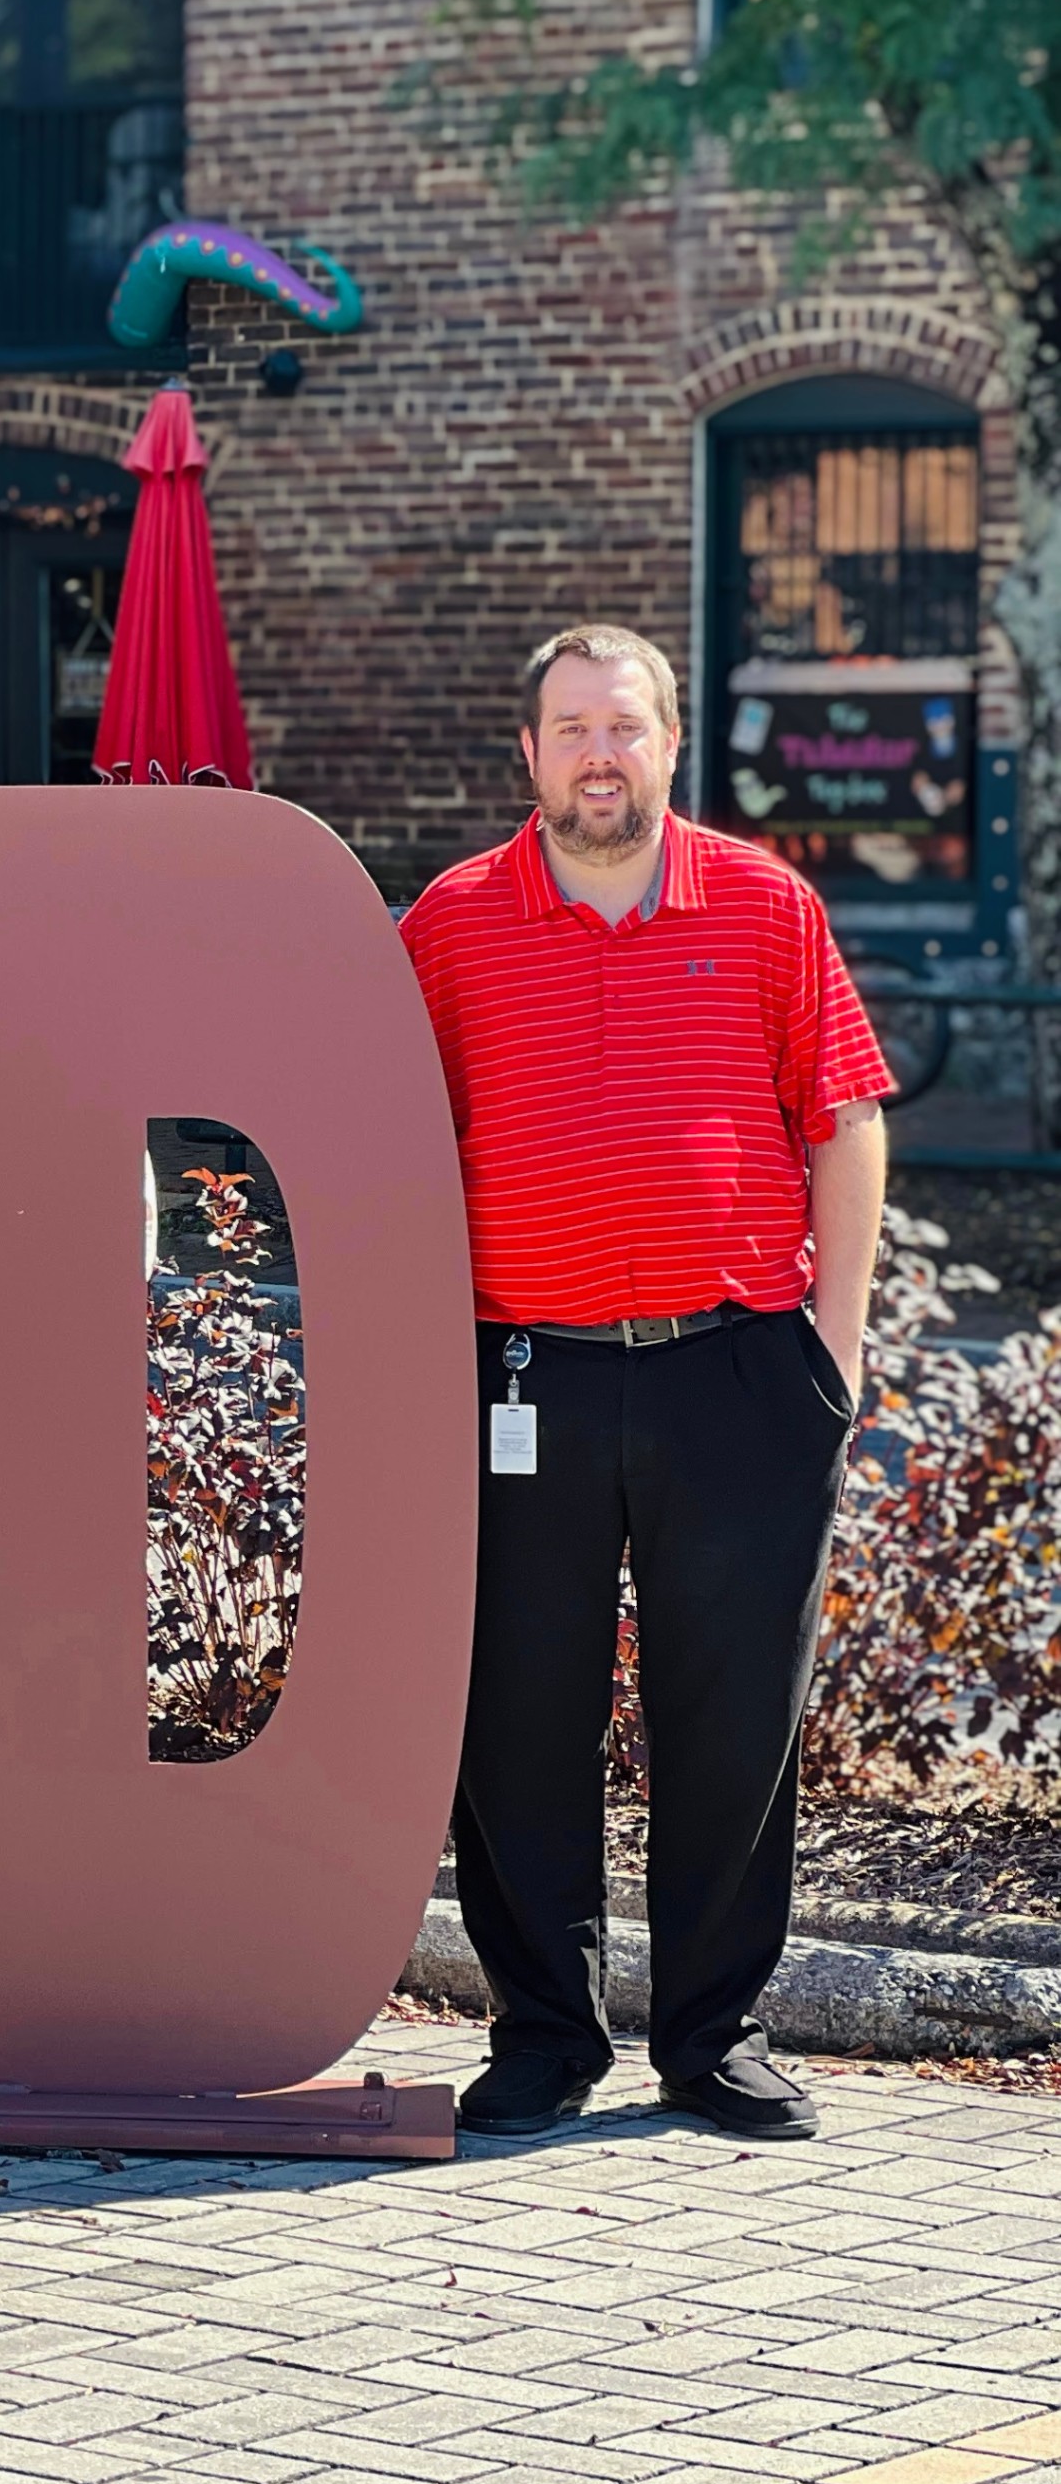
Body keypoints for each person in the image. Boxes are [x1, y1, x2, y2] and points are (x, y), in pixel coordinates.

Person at [404, 625, 888, 2143]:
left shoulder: (762, 904)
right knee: (512, 1719)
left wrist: (835, 1351)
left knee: (733, 1714)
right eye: (567, 729)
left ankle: (711, 2038)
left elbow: (842, 1119)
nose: (596, 754)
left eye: (623, 726)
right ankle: (543, 2034)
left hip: (736, 1374)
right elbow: (385, 1141)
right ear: (527, 755)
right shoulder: (449, 922)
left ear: (670, 746)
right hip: (519, 1373)